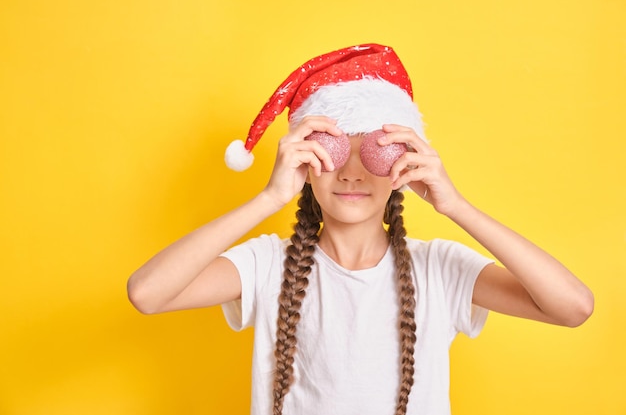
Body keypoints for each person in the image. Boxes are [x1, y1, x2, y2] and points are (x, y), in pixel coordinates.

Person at [127, 44, 594, 415]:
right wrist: (269, 198)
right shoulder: (267, 264)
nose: (351, 173)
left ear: (403, 167)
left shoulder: (438, 268)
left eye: (371, 151)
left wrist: (456, 206)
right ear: (308, 165)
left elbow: (572, 307)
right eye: (332, 152)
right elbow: (148, 293)